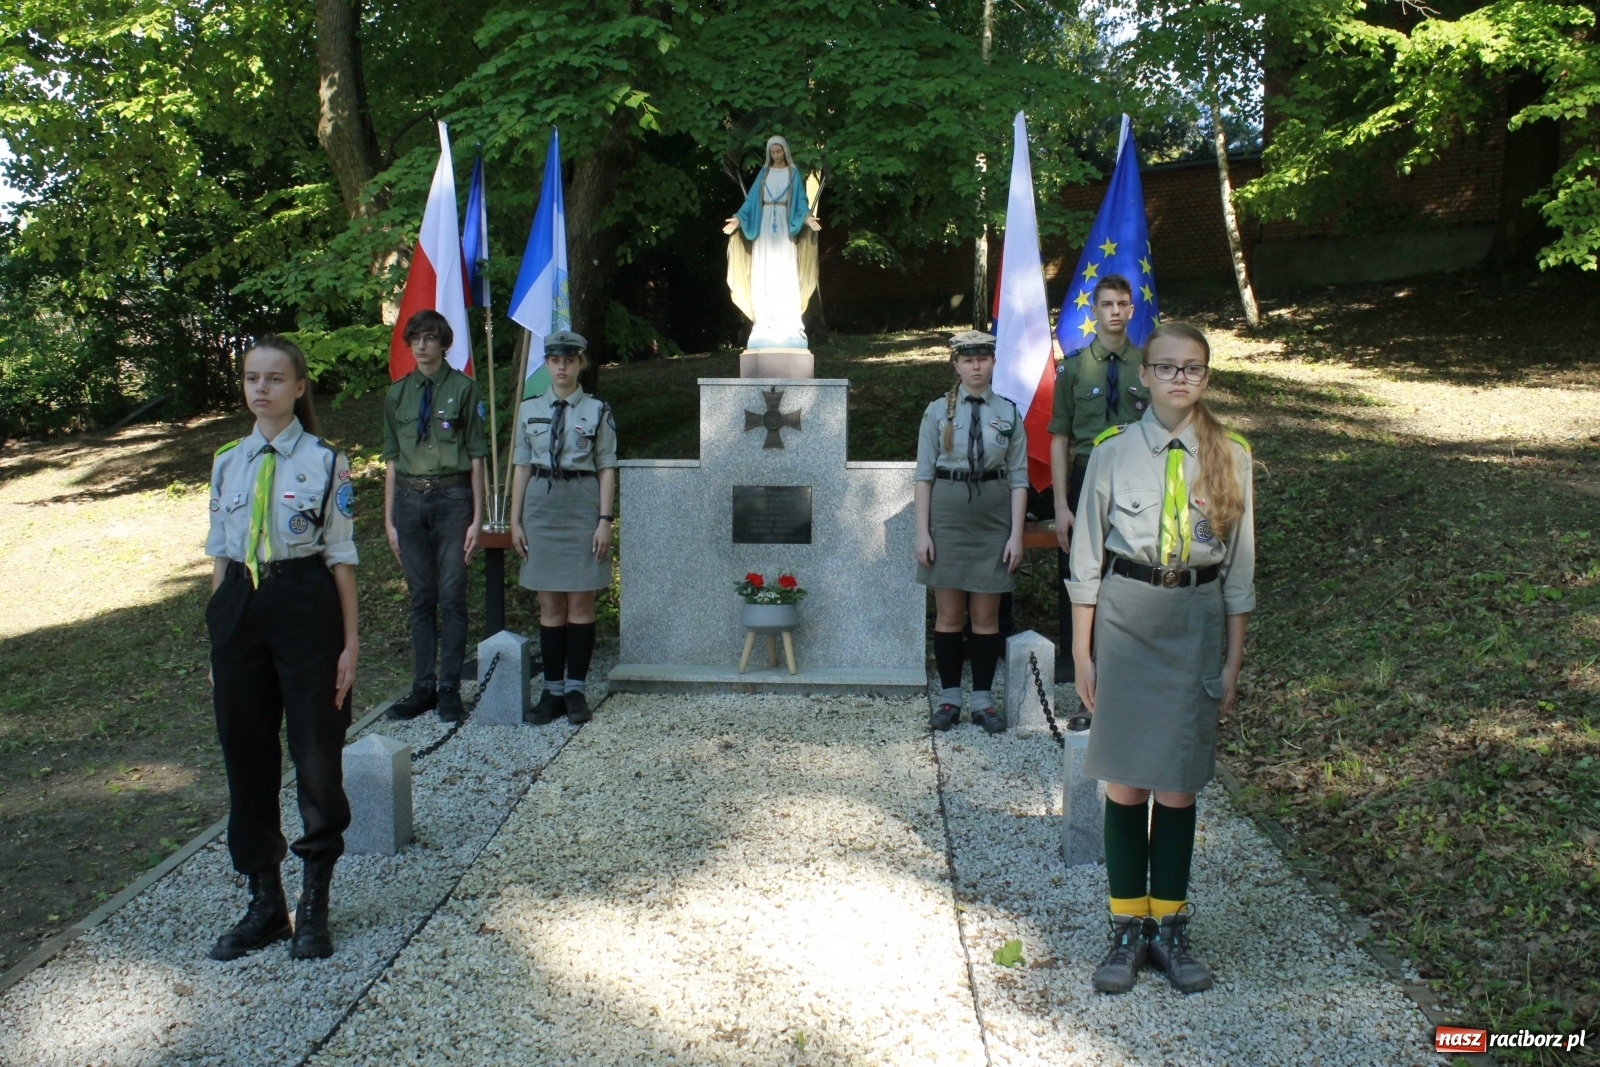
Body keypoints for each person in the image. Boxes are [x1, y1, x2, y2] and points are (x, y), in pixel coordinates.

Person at [1067, 321, 1255, 995]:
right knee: (1125, 779)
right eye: (1168, 367)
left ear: (1205, 377)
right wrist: (1081, 651)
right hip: (1126, 616)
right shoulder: (1112, 452)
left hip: (1194, 620)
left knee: (1178, 781)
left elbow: (1239, 573)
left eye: (1193, 368)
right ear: (1144, 374)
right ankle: (1126, 927)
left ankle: (1170, 928)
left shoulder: (1229, 455)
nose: (1180, 377)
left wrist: (1233, 660)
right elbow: (1086, 559)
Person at [205, 336, 358, 961]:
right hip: (240, 604)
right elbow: (219, 552)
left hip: (304, 604)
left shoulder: (326, 461)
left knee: (317, 750)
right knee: (245, 750)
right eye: (251, 378)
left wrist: (350, 644)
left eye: (275, 378)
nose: (261, 388)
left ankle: (315, 901)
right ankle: (267, 903)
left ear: (299, 387)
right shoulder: (225, 461)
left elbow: (342, 555)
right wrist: (219, 639)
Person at [914, 330, 1029, 734]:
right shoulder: (936, 412)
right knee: (948, 616)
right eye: (967, 360)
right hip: (947, 517)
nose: (976, 366)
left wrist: (1016, 535)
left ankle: (982, 700)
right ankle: (949, 699)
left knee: (986, 617)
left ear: (994, 362)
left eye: (982, 359)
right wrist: (922, 532)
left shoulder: (1010, 413)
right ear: (956, 364)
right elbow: (924, 475)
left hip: (993, 520)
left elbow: (1019, 478)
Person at [381, 309, 488, 724]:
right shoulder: (398, 394)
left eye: (430, 338)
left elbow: (477, 456)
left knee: (452, 595)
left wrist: (477, 517)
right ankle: (423, 686)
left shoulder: (464, 389)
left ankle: (449, 688)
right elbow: (391, 459)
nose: (422, 345)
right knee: (421, 598)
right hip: (409, 501)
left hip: (452, 499)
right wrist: (389, 518)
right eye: (416, 338)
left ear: (444, 344)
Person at [509, 330, 618, 725]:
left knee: (580, 603)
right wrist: (514, 519)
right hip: (541, 505)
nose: (562, 366)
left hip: (582, 503)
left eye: (569, 360)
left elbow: (606, 467)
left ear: (580, 363)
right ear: (547, 363)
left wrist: (604, 521)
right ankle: (551, 691)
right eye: (555, 360)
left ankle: (575, 689)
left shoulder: (597, 409)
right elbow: (521, 464)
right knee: (550, 604)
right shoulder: (529, 408)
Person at [1048, 274, 1150, 682]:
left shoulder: (1147, 366)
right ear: (1094, 311)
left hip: (1135, 474)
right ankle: (1075, 659)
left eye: (1121, 304)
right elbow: (1059, 439)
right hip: (1086, 472)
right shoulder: (1073, 369)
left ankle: (1123, 655)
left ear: (1131, 310)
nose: (1114, 311)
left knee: (1129, 563)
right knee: (1076, 565)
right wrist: (1060, 504)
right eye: (1106, 304)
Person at [722, 135, 823, 350]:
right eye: (772, 152)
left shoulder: (793, 174)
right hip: (765, 226)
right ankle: (764, 325)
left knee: (784, 271)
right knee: (764, 271)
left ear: (785, 151)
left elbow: (801, 202)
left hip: (785, 229)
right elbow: (750, 201)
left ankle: (788, 325)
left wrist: (808, 218)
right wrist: (738, 219)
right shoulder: (764, 173)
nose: (776, 156)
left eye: (779, 151)